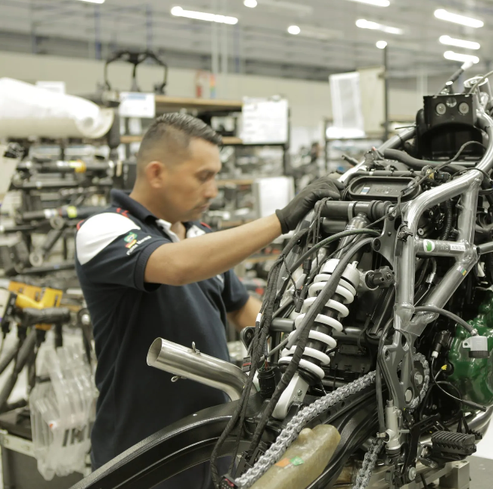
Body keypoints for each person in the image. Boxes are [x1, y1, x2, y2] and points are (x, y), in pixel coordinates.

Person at [75, 113, 340, 489]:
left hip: (213, 446)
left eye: (216, 175)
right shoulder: (104, 229)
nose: (214, 190)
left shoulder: (200, 234)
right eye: (204, 176)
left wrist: (305, 353)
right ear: (156, 173)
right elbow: (177, 265)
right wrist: (282, 220)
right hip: (141, 456)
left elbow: (245, 311)